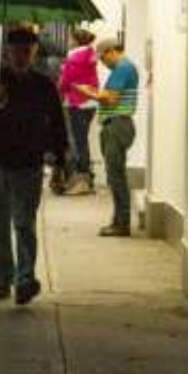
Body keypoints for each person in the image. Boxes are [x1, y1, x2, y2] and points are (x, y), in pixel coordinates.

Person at [0, 27, 69, 305]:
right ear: (7, 52)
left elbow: (57, 124)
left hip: (29, 164)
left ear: (33, 53)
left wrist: (60, 161)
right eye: (16, 50)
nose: (21, 56)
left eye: (26, 51)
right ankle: (2, 280)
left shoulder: (44, 85)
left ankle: (25, 279)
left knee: (24, 223)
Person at [77, 38, 140, 237]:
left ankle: (121, 223)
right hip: (117, 124)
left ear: (112, 51)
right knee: (116, 174)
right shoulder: (124, 69)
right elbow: (112, 95)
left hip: (117, 124)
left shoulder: (122, 68)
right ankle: (118, 221)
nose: (103, 62)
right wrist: (96, 92)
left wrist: (88, 93)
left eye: (103, 57)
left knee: (116, 176)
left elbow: (111, 98)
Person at [58, 28, 100, 194]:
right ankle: (86, 178)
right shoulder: (91, 56)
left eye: (70, 38)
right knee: (82, 140)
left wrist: (62, 75)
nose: (69, 41)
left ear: (76, 40)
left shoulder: (73, 57)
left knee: (78, 142)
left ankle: (83, 179)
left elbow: (65, 83)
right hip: (90, 104)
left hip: (76, 103)